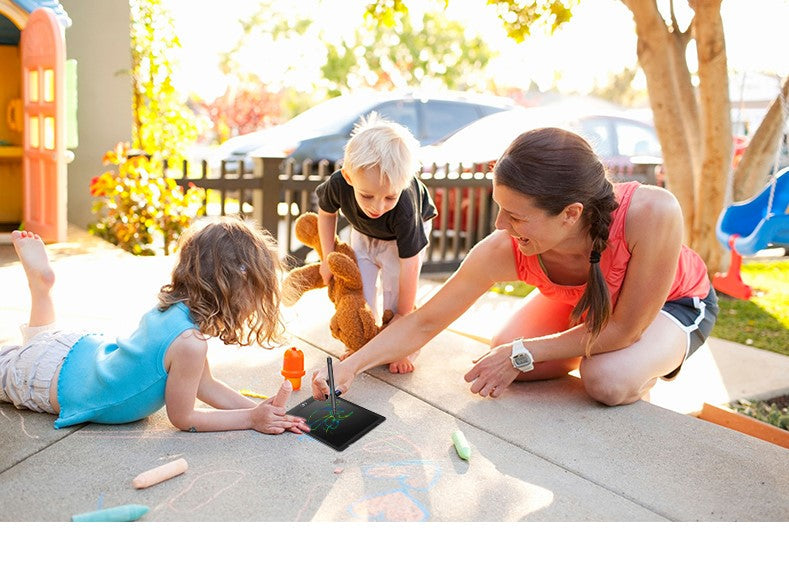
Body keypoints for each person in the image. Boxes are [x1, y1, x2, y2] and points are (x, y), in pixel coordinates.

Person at [312, 126, 719, 406]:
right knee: (501, 359)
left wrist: (524, 351)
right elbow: (422, 322)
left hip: (673, 304)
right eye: (500, 209)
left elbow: (625, 328)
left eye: (516, 216)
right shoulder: (502, 248)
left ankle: (638, 370)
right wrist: (350, 367)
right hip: (588, 304)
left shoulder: (653, 213)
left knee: (605, 380)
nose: (499, 226)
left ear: (570, 214)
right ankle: (591, 345)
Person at [1, 219, 310, 435]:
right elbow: (183, 417)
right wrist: (250, 419)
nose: (255, 303)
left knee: (37, 348)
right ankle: (40, 290)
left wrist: (259, 409)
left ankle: (41, 290)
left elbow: (205, 386)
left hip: (72, 354)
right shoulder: (190, 342)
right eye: (255, 293)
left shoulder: (179, 313)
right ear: (232, 290)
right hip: (54, 381)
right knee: (24, 360)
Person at [315, 112, 437, 373]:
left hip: (401, 243)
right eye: (367, 195)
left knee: (396, 296)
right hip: (363, 232)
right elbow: (326, 214)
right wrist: (327, 258)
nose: (378, 206)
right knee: (362, 292)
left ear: (402, 186)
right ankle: (364, 342)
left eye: (388, 197)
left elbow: (410, 266)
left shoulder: (404, 206)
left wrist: (403, 319)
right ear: (349, 178)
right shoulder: (339, 183)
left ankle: (406, 346)